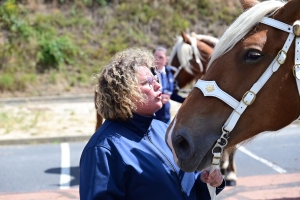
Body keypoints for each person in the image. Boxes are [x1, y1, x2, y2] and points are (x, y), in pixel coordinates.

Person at [79, 47, 225, 200]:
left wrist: (204, 181)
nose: (158, 85)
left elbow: (187, 187)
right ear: (124, 93)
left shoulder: (165, 129)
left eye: (155, 79)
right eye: (147, 82)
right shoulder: (103, 149)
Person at [153, 46, 185, 124]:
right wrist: (160, 97)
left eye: (161, 57)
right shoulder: (149, 73)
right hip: (153, 116)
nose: (158, 60)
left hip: (166, 117)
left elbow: (172, 94)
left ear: (166, 59)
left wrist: (187, 100)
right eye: (155, 57)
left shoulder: (169, 73)